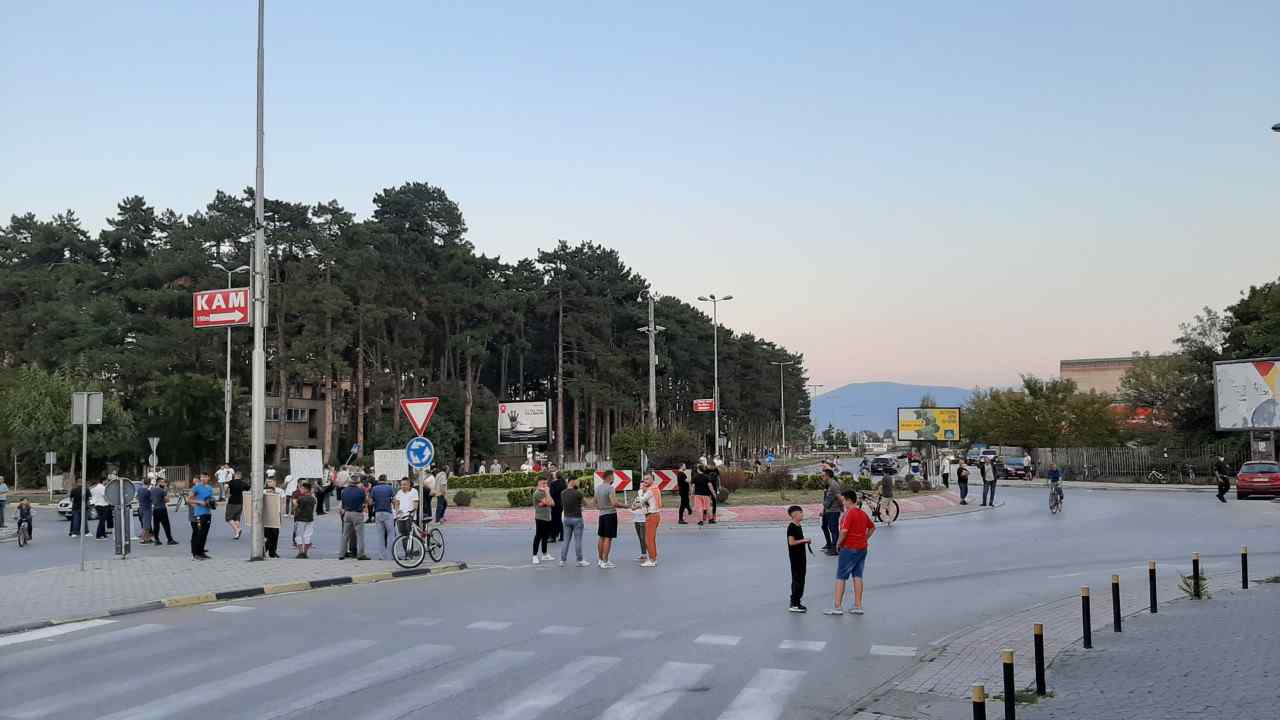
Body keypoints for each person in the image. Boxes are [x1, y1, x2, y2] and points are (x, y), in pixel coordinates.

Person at [825, 490, 875, 615]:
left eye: (843, 501)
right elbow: (872, 527)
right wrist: (864, 538)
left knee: (841, 576)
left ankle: (837, 606)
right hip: (862, 548)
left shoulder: (849, 513)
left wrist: (838, 543)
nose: (842, 503)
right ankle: (858, 605)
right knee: (858, 576)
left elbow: (844, 531)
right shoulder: (862, 513)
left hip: (849, 548)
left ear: (848, 500)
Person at [786, 505, 811, 612]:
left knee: (801, 579)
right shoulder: (792, 527)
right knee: (797, 579)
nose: (803, 514)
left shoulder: (798, 525)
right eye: (801, 513)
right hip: (795, 558)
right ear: (795, 514)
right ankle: (794, 603)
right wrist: (804, 540)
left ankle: (797, 602)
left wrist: (804, 541)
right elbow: (791, 542)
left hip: (801, 556)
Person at [558, 476, 587, 567]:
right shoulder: (578, 493)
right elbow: (585, 503)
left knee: (566, 540)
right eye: (576, 481)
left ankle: (562, 560)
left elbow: (563, 504)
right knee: (577, 540)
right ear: (572, 481)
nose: (577, 483)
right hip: (577, 518)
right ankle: (580, 560)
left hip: (566, 518)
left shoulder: (562, 493)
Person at [339, 478, 370, 560]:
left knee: (345, 535)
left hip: (347, 513)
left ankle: (342, 553)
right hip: (357, 513)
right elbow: (366, 501)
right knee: (360, 535)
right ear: (358, 483)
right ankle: (361, 554)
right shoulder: (361, 491)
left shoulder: (344, 491)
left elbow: (343, 503)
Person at [595, 471, 620, 568]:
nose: (613, 478)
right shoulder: (610, 488)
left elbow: (595, 502)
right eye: (613, 477)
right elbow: (614, 503)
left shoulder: (597, 488)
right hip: (610, 514)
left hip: (601, 515)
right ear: (609, 477)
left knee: (601, 537)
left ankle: (600, 560)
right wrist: (626, 506)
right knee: (608, 538)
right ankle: (605, 561)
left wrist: (601, 507)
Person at [370, 474, 397, 561]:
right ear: (386, 480)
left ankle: (382, 556)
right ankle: (390, 555)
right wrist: (395, 509)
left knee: (380, 535)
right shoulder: (389, 488)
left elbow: (370, 502)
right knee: (391, 534)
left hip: (378, 513)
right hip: (387, 512)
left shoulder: (374, 488)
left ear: (379, 480)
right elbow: (394, 500)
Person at [638, 473, 662, 567]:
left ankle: (652, 560)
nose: (645, 481)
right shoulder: (656, 488)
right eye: (644, 479)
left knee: (648, 539)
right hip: (655, 515)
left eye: (647, 479)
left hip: (651, 515)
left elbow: (641, 500)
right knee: (651, 539)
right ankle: (653, 557)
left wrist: (641, 490)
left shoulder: (650, 490)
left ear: (652, 479)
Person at [189, 474, 214, 560]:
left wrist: (213, 504)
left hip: (208, 513)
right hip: (199, 514)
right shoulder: (196, 488)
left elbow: (210, 500)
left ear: (208, 478)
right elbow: (189, 499)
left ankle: (201, 552)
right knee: (198, 534)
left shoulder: (210, 488)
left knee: (204, 534)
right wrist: (199, 503)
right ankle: (195, 554)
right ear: (200, 478)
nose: (204, 478)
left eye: (205, 477)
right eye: (202, 477)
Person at [531, 477, 554, 564]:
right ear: (538, 483)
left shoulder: (545, 492)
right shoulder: (538, 493)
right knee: (538, 536)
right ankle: (534, 556)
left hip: (548, 517)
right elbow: (548, 502)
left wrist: (547, 499)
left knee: (545, 536)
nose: (545, 485)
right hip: (540, 518)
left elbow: (552, 503)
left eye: (546, 483)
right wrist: (547, 493)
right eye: (543, 483)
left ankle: (545, 554)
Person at [820, 468, 842, 555]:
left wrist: (842, 508)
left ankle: (835, 548)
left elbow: (840, 498)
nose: (821, 477)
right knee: (824, 526)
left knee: (833, 529)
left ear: (827, 476)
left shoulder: (834, 485)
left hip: (834, 510)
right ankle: (829, 544)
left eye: (823, 476)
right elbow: (827, 498)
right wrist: (824, 510)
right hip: (828, 510)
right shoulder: (828, 485)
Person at [293, 481, 317, 558]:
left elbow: (295, 507)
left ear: (306, 489)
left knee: (298, 536)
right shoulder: (313, 499)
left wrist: (295, 505)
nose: (301, 489)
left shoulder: (301, 498)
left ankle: (300, 552)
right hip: (310, 519)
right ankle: (305, 553)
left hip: (300, 519)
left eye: (302, 488)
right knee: (307, 536)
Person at [225, 470, 251, 540]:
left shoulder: (231, 482)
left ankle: (237, 530)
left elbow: (226, 486)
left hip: (232, 502)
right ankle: (237, 534)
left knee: (228, 518)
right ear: (240, 476)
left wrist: (226, 493)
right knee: (236, 518)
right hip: (240, 502)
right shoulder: (243, 483)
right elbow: (248, 488)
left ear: (235, 475)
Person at [151, 478, 177, 545]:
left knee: (156, 525)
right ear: (159, 482)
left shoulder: (152, 490)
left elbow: (151, 499)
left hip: (155, 509)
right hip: (162, 509)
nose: (164, 484)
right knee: (166, 525)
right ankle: (170, 540)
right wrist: (166, 491)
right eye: (163, 482)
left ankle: (156, 540)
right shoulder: (162, 490)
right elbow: (167, 500)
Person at [262, 474, 283, 558]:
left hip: (276, 514)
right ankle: (264, 550)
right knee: (267, 534)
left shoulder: (280, 491)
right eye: (267, 482)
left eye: (270, 481)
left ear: (275, 482)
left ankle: (272, 552)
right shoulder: (263, 491)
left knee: (275, 534)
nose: (269, 483)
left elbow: (283, 501)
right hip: (266, 515)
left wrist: (281, 513)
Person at [630, 481, 649, 564]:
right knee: (640, 538)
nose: (641, 488)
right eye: (640, 486)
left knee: (644, 538)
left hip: (644, 519)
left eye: (643, 486)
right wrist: (635, 506)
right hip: (636, 518)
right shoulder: (638, 496)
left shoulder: (647, 496)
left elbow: (647, 506)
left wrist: (638, 506)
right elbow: (633, 506)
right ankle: (643, 554)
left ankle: (650, 555)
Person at [548, 471, 566, 542]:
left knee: (553, 520)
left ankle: (553, 537)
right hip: (561, 503)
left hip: (554, 503)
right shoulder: (564, 483)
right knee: (559, 519)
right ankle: (561, 535)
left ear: (556, 476)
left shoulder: (553, 483)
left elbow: (551, 494)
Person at [136, 474, 154, 543]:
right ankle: (143, 539)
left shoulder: (139, 489)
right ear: (149, 483)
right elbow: (152, 499)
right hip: (147, 508)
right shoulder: (148, 491)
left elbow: (137, 497)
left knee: (145, 524)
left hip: (141, 507)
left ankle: (147, 538)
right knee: (146, 525)